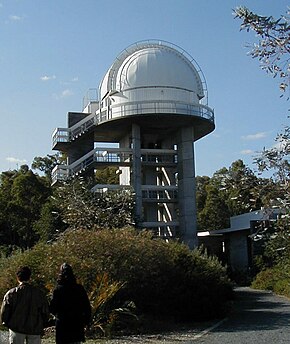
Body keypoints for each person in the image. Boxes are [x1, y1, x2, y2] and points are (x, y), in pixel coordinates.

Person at [0, 266, 50, 344]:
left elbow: (5, 311)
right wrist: (43, 323)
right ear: (29, 277)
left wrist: (5, 322)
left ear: (17, 278)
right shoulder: (39, 293)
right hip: (34, 328)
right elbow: (45, 312)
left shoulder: (11, 293)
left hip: (16, 327)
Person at [49, 263, 91, 344]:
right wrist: (85, 321)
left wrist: (56, 315)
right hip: (76, 323)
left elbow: (52, 308)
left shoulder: (58, 290)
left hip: (63, 323)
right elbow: (86, 306)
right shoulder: (79, 288)